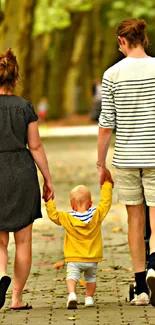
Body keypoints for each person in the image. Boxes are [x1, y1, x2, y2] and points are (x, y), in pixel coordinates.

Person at [97, 17, 155, 306]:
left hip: (127, 157)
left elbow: (106, 124)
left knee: (135, 218)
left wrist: (100, 163)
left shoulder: (112, 74)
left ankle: (142, 287)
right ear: (143, 39)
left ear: (122, 41)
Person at [0, 48, 54, 310]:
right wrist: (48, 179)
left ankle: (0, 274)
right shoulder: (25, 107)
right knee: (23, 240)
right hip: (21, 172)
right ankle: (17, 298)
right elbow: (35, 146)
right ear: (15, 77)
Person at [45, 181, 112, 309]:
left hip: (74, 258)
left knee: (71, 276)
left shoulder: (67, 217)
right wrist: (107, 185)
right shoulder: (96, 214)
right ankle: (89, 298)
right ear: (90, 203)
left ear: (72, 205)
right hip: (92, 258)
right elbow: (106, 203)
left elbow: (53, 215)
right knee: (91, 278)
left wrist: (49, 201)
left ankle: (72, 294)